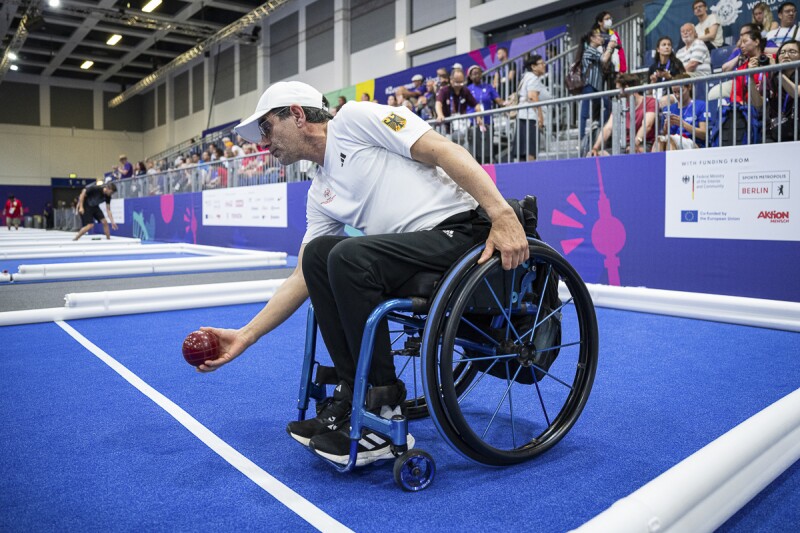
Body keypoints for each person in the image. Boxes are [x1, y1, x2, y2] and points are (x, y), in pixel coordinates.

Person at [198, 81, 529, 466]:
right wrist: (245, 335)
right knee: (320, 255)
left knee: (346, 255)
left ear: (298, 115)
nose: (263, 143)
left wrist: (502, 214)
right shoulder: (319, 188)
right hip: (409, 257)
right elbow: (302, 279)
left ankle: (385, 408)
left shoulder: (355, 119)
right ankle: (352, 392)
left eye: (267, 128)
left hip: (458, 233)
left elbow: (443, 150)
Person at [590, 73, 657, 155]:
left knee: (635, 153)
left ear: (627, 88)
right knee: (597, 156)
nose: (617, 93)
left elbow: (647, 125)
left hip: (645, 143)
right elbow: (608, 128)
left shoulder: (650, 102)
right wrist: (595, 148)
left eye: (619, 89)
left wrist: (635, 143)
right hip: (624, 146)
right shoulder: (619, 105)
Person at [721, 29, 768, 146]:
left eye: (745, 41)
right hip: (748, 113)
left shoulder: (771, 61)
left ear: (757, 41)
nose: (741, 45)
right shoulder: (742, 69)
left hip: (769, 110)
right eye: (740, 42)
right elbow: (735, 95)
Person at [750, 40, 800, 142]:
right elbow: (758, 103)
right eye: (782, 52)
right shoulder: (772, 78)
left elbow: (796, 93)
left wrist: (777, 70)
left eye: (792, 51)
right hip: (775, 132)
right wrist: (750, 76)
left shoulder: (776, 73)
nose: (786, 56)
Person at [576, 27, 616, 149]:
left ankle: (598, 125)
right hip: (589, 85)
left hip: (596, 87)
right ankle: (581, 137)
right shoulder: (589, 51)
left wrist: (610, 49)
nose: (601, 38)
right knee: (584, 111)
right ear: (592, 39)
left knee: (607, 104)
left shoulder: (594, 51)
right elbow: (604, 59)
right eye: (598, 36)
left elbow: (605, 61)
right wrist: (609, 47)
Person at [653, 73, 707, 151]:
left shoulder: (701, 105)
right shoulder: (669, 109)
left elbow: (704, 134)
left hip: (694, 144)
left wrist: (683, 124)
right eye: (674, 92)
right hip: (673, 141)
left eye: (680, 91)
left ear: (689, 87)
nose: (677, 95)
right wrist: (666, 127)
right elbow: (665, 135)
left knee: (671, 140)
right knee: (659, 141)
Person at [515, 56, 551, 161]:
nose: (544, 65)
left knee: (524, 152)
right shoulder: (533, 78)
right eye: (541, 63)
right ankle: (529, 174)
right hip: (530, 118)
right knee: (530, 150)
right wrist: (540, 116)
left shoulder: (526, 77)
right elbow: (532, 96)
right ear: (533, 66)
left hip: (524, 116)